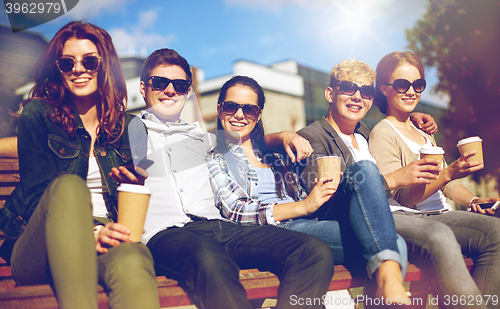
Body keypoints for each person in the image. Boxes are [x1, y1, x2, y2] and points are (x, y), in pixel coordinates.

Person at [123, 48, 334, 309]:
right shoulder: (124, 132)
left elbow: (247, 137)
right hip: (166, 233)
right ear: (143, 87)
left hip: (220, 227)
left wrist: (284, 136)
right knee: (209, 258)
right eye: (160, 82)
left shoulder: (203, 138)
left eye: (179, 85)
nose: (169, 90)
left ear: (188, 92)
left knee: (313, 251)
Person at [207, 75, 410, 303]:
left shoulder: (273, 155)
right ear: (219, 109)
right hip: (278, 232)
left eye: (249, 110)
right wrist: (303, 206)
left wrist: (318, 192)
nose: (239, 115)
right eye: (231, 107)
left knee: (364, 170)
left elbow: (299, 191)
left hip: (310, 222)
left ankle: (389, 287)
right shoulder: (216, 159)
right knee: (394, 245)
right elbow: (235, 211)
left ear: (259, 114)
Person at [0, 21, 160, 309]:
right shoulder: (37, 114)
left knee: (134, 260)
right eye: (66, 63)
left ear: (106, 65)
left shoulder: (131, 127)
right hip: (38, 245)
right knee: (70, 187)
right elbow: (37, 198)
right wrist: (92, 234)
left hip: (108, 236)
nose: (78, 69)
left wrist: (133, 188)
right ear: (57, 70)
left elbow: (133, 209)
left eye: (89, 61)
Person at [369, 51, 500, 309]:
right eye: (401, 84)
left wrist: (473, 199)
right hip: (411, 218)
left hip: (439, 214)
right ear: (384, 88)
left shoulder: (423, 133)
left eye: (418, 85)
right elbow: (404, 197)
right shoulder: (383, 133)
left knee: (496, 231)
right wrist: (448, 172)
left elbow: (446, 184)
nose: (411, 91)